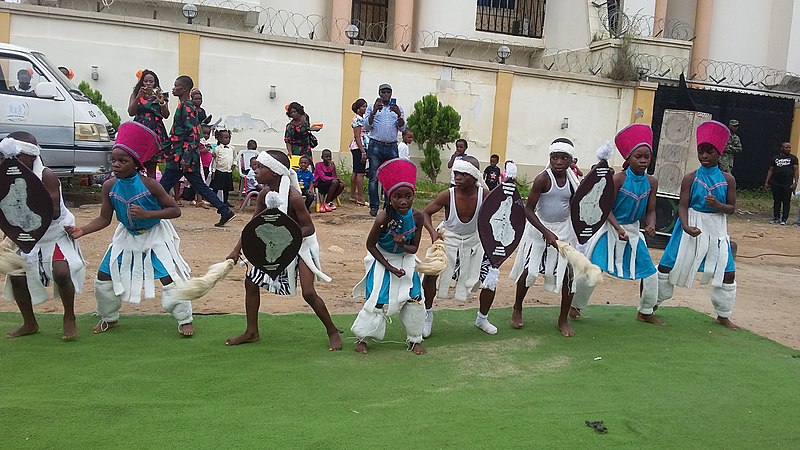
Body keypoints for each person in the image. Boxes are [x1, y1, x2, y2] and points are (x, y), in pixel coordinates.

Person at [65, 122, 195, 336]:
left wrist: (148, 215)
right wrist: (82, 230)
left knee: (169, 277)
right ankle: (109, 317)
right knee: (104, 276)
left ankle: (184, 319)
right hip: (126, 237)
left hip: (155, 236)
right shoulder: (109, 186)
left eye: (122, 161)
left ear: (136, 164)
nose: (116, 164)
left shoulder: (150, 184)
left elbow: (174, 210)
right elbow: (104, 219)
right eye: (113, 160)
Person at [224, 150, 342, 350]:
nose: (256, 170)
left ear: (275, 172)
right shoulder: (264, 194)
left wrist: (286, 238)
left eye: (261, 167)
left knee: (308, 292)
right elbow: (254, 225)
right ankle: (252, 332)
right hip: (278, 243)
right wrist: (237, 250)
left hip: (302, 243)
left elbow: (309, 228)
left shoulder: (293, 197)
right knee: (250, 282)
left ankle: (332, 331)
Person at [571, 124, 662, 325]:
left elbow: (651, 210)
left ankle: (645, 310)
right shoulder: (618, 179)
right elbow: (605, 208)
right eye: (638, 156)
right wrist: (618, 228)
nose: (643, 160)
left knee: (650, 273)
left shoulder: (652, 182)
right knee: (594, 270)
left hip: (633, 232)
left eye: (647, 156)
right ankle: (575, 305)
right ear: (628, 158)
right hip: (610, 229)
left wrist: (651, 225)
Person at [1, 132, 85, 341]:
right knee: (16, 274)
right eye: (9, 157)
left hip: (55, 232)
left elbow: (53, 211)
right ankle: (29, 322)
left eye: (18, 156)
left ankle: (69, 317)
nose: (13, 162)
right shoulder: (6, 175)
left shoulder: (47, 176)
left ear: (32, 156)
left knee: (62, 271)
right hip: (25, 233)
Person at [657, 120, 739, 329]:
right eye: (701, 151)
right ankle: (649, 307)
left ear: (719, 153)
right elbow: (682, 206)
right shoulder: (690, 178)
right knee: (667, 265)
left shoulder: (728, 179)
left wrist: (718, 204)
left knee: (728, 271)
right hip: (691, 225)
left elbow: (731, 208)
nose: (704, 156)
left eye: (709, 152)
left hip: (717, 228)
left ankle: (723, 314)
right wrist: (685, 226)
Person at [351, 158, 426, 355]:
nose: (403, 201)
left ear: (413, 196)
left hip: (406, 258)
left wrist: (403, 245)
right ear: (389, 198)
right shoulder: (383, 217)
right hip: (381, 258)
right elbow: (370, 245)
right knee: (377, 299)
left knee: (416, 297)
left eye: (408, 196)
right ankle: (363, 338)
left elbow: (415, 249)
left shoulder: (418, 217)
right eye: (398, 197)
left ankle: (415, 339)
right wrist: (390, 268)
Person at [508, 138, 581, 337]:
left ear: (571, 160)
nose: (558, 161)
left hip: (563, 231)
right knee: (530, 272)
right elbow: (528, 210)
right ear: (550, 158)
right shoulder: (543, 178)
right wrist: (546, 232)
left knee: (568, 276)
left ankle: (562, 319)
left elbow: (577, 207)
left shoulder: (573, 182)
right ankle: (517, 307)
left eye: (563, 158)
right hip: (539, 230)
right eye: (554, 157)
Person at [422, 155, 496, 337]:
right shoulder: (447, 194)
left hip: (475, 242)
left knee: (491, 280)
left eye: (463, 174)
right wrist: (433, 233)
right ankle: (427, 315)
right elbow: (425, 213)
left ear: (475, 177)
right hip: (448, 240)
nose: (458, 177)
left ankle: (482, 318)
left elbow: (499, 216)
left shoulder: (485, 195)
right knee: (430, 275)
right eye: (456, 173)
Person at [159, 75, 236, 227]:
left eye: (176, 86)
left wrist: (185, 158)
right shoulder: (184, 106)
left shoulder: (186, 107)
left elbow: (193, 134)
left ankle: (149, 211)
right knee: (200, 186)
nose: (173, 88)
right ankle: (224, 210)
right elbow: (177, 133)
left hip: (182, 157)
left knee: (162, 186)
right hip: (182, 154)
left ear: (184, 89)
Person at [363, 83, 406, 217]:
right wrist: (374, 111)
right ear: (379, 93)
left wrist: (399, 115)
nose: (386, 94)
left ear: (391, 94)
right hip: (376, 145)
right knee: (374, 177)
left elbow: (403, 128)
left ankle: (389, 205)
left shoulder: (398, 108)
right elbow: (366, 126)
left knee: (390, 178)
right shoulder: (371, 107)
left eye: (388, 92)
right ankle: (374, 206)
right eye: (383, 92)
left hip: (392, 146)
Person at [127, 69, 170, 179]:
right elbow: (131, 112)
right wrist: (138, 97)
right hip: (139, 131)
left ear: (155, 82)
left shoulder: (162, 96)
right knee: (136, 164)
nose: (148, 84)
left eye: (151, 81)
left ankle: (151, 194)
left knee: (152, 166)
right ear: (142, 82)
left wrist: (161, 102)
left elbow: (166, 115)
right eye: (146, 81)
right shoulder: (135, 94)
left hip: (154, 132)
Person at [764, 142, 797, 225]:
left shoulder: (793, 158)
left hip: (787, 183)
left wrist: (795, 182)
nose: (788, 149)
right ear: (781, 148)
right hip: (776, 182)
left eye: (789, 147)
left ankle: (784, 219)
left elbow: (796, 170)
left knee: (786, 201)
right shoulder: (775, 158)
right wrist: (767, 182)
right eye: (786, 147)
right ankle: (776, 217)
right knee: (777, 201)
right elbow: (771, 170)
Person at [349, 98, 368, 207]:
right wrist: (363, 151)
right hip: (359, 147)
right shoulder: (358, 119)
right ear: (358, 108)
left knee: (356, 171)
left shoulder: (360, 118)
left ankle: (353, 195)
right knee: (360, 173)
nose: (365, 108)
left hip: (358, 146)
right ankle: (360, 197)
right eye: (363, 106)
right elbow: (357, 136)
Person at [210, 129, 236, 207]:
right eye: (225, 138)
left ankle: (225, 201)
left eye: (228, 138)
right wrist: (213, 171)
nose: (227, 139)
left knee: (226, 188)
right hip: (219, 170)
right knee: (216, 187)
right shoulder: (217, 149)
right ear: (220, 139)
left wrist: (234, 164)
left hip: (228, 171)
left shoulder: (232, 148)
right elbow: (215, 160)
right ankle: (214, 201)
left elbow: (235, 157)